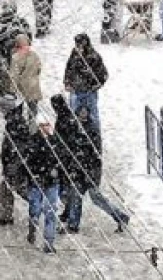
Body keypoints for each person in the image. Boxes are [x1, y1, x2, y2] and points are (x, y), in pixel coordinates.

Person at [53, 96, 130, 234]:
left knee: (95, 198)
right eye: (80, 113)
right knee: (76, 195)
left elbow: (95, 154)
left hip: (89, 170)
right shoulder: (74, 127)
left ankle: (120, 216)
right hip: (79, 169)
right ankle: (73, 224)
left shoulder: (91, 130)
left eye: (84, 113)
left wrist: (91, 171)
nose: (82, 116)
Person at [25, 112, 62, 253]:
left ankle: (49, 243)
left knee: (50, 213)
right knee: (35, 210)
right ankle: (32, 229)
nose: (48, 127)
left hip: (50, 182)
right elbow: (28, 163)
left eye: (48, 124)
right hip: (38, 182)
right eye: (45, 125)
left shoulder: (55, 142)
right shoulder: (33, 142)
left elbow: (60, 160)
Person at [0, 94, 32, 226]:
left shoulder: (16, 123)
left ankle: (42, 206)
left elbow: (22, 145)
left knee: (20, 189)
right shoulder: (13, 121)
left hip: (15, 164)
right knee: (7, 188)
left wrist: (15, 163)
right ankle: (6, 216)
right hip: (12, 162)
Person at [63, 33, 107, 134]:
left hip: (89, 91)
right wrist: (67, 82)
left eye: (80, 44)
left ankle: (95, 137)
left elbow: (103, 74)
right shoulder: (74, 54)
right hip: (75, 90)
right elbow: (68, 69)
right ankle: (74, 136)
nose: (78, 46)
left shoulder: (94, 56)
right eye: (77, 44)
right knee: (74, 115)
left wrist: (96, 84)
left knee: (92, 116)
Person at [0, 2, 31, 96]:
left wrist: (15, 44)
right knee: (5, 84)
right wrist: (3, 47)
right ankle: (7, 103)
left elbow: (28, 40)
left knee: (14, 85)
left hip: (16, 59)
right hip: (2, 59)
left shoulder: (21, 22)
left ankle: (14, 102)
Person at [8, 34, 41, 114]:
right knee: (32, 111)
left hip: (22, 88)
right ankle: (31, 124)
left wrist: (12, 90)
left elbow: (14, 75)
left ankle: (25, 125)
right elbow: (39, 69)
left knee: (20, 111)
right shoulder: (34, 55)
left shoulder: (16, 57)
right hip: (32, 87)